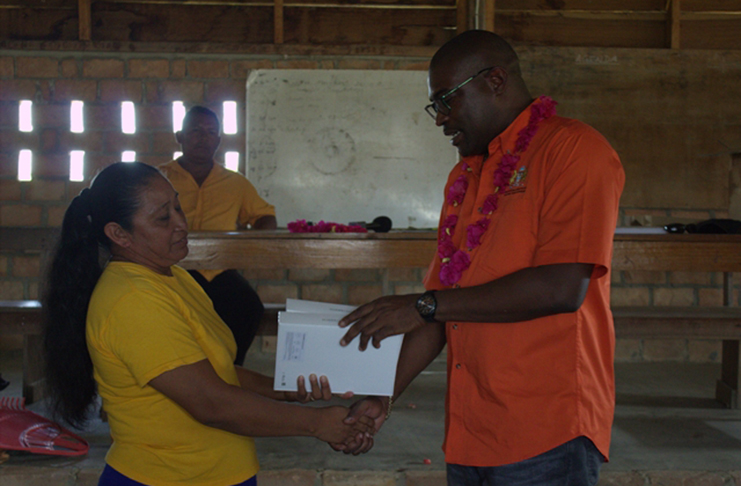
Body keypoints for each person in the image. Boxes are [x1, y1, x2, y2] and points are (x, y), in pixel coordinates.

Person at [334, 30, 625, 485]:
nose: (440, 119)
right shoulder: (468, 173)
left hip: (546, 431)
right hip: (471, 431)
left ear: (494, 81)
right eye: (436, 106)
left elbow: (563, 287)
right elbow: (440, 304)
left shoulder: (573, 151)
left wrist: (422, 305)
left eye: (447, 100)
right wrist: (382, 398)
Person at [42, 162, 373, 486]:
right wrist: (317, 423)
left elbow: (214, 371)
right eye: (162, 218)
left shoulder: (174, 277)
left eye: (178, 207)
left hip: (217, 473)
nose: (181, 224)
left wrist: (284, 389)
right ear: (118, 233)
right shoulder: (131, 299)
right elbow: (210, 402)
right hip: (164, 477)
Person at [159, 106, 276, 366]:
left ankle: (230, 371)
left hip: (218, 271)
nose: (204, 137)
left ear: (219, 140)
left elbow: (264, 217)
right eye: (196, 131)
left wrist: (251, 246)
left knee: (249, 308)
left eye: (211, 132)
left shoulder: (236, 183)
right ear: (179, 136)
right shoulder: (158, 178)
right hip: (172, 271)